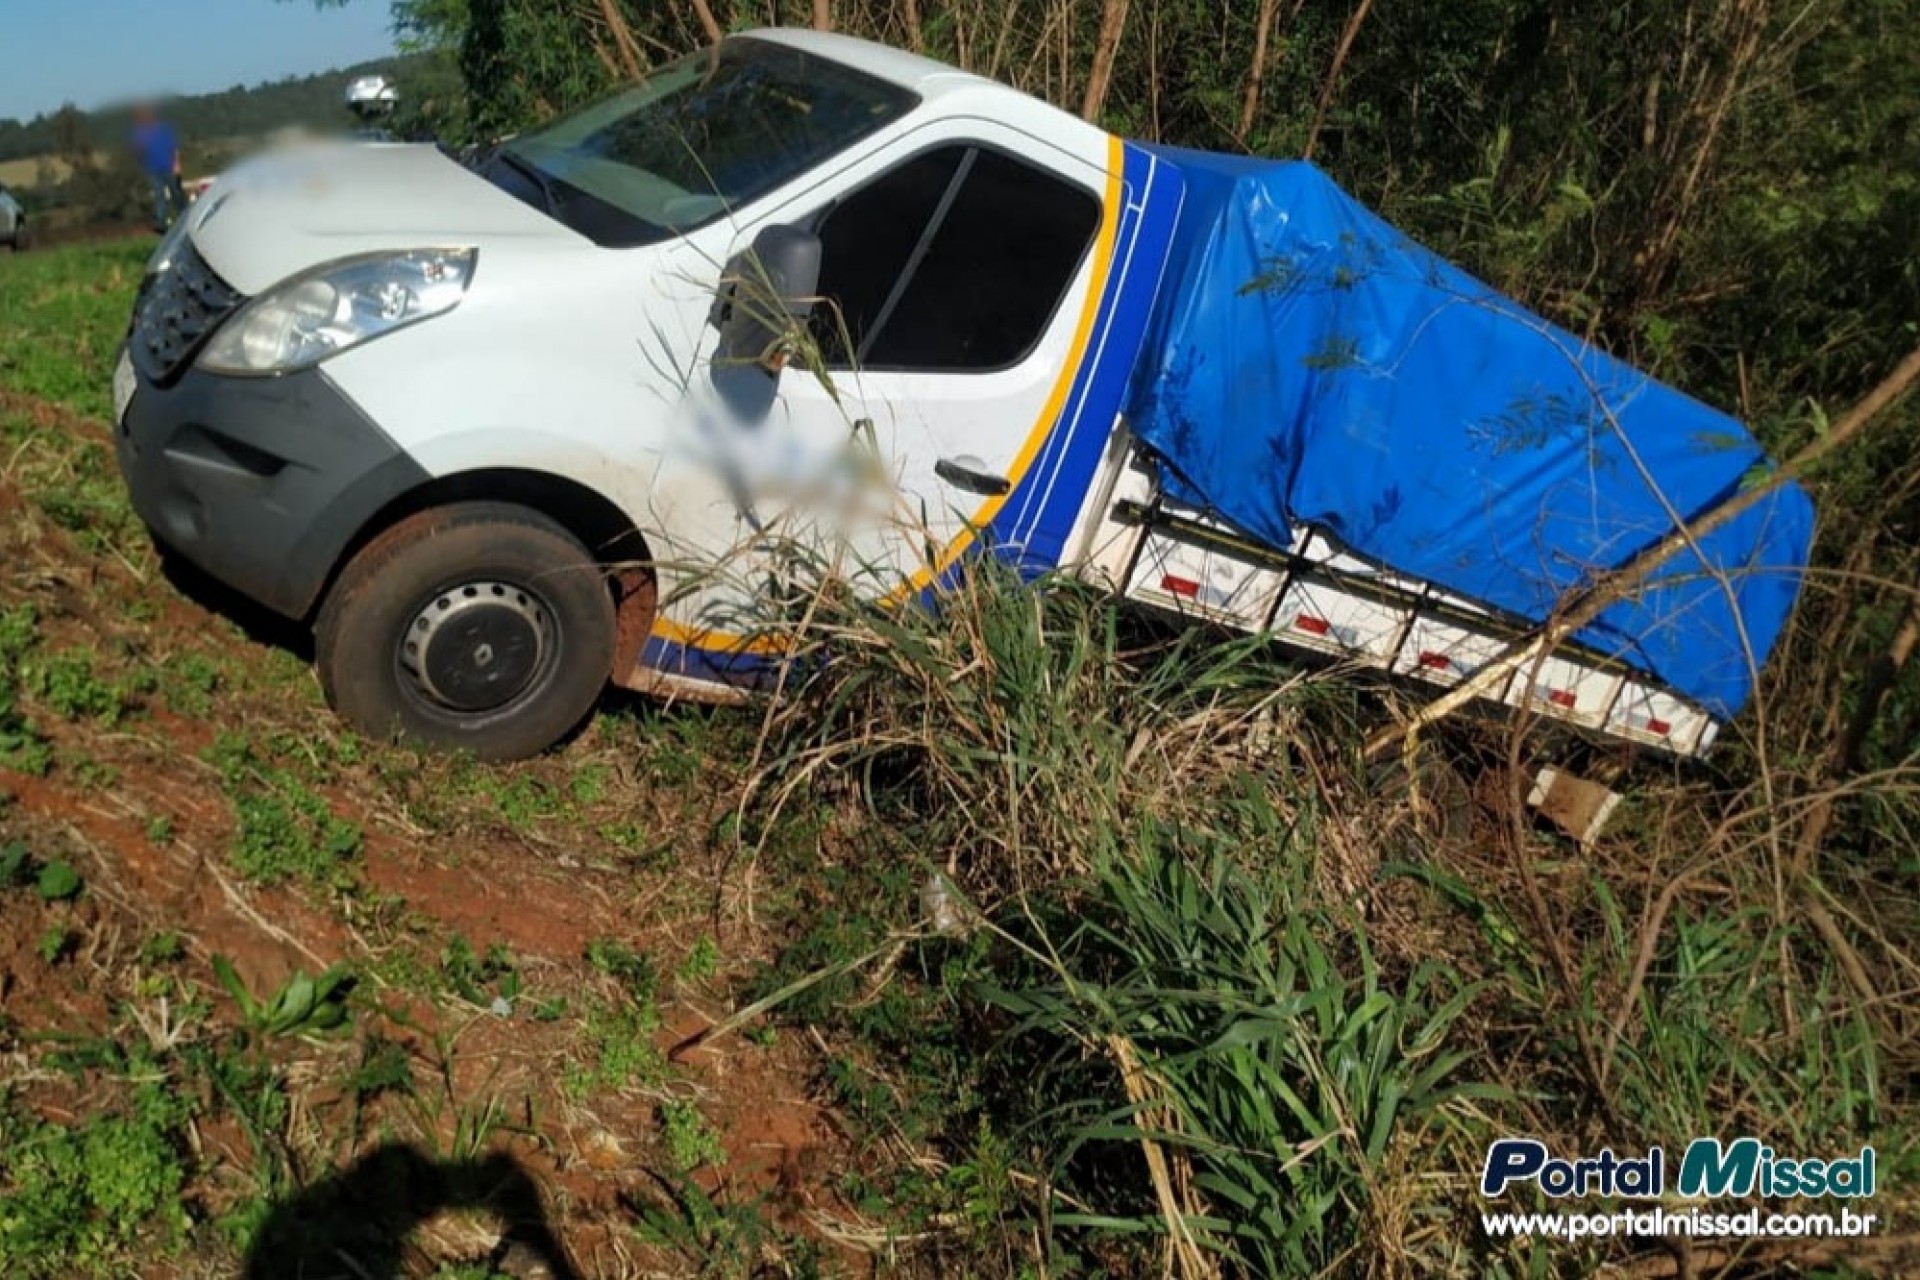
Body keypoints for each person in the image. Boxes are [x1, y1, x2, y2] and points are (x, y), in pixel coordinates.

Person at [131, 103, 186, 231]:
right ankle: (162, 222)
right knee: (159, 195)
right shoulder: (139, 133)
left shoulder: (163, 129)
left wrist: (177, 163)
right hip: (152, 169)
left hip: (168, 166)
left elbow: (174, 147)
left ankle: (185, 215)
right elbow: (137, 150)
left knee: (176, 193)